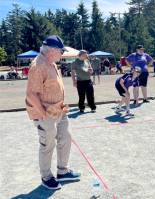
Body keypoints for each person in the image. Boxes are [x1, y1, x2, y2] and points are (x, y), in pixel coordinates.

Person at [25, 35, 80, 190]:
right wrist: (42, 114)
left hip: (59, 110)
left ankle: (62, 171)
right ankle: (46, 177)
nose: (62, 54)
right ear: (52, 51)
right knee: (47, 145)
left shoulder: (51, 62)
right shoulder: (38, 65)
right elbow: (31, 94)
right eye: (61, 51)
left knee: (66, 138)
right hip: (45, 113)